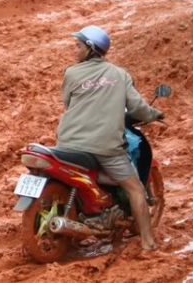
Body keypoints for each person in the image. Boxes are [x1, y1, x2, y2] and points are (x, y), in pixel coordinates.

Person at [55, 25, 163, 251]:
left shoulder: (71, 73)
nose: (75, 50)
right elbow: (138, 108)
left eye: (78, 46)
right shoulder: (120, 74)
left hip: (68, 145)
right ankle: (148, 242)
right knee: (136, 189)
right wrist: (154, 114)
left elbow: (69, 104)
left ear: (91, 48)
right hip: (105, 148)